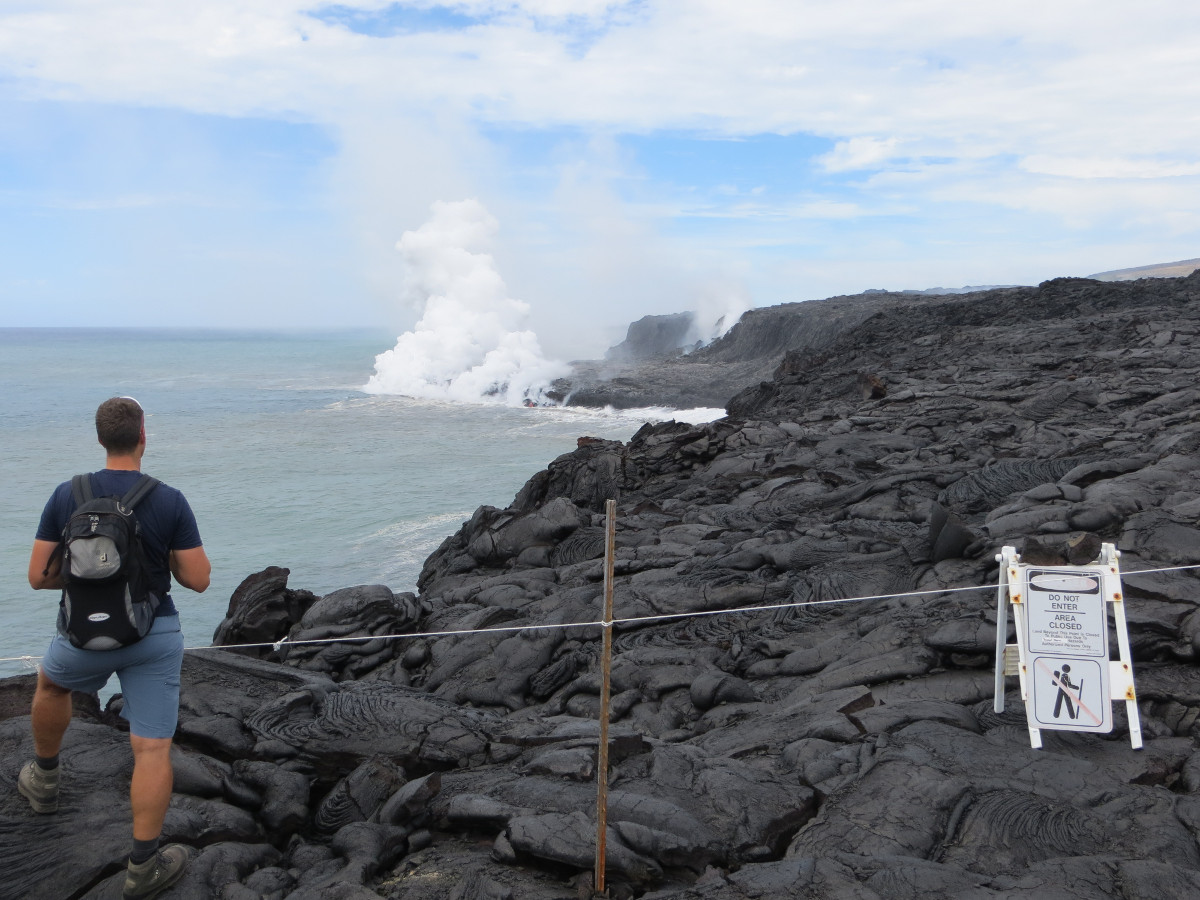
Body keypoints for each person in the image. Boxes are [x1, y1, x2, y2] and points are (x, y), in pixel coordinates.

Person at [19, 396, 211, 900]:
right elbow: (198, 580)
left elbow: (39, 577)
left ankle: (44, 779)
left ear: (100, 437)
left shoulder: (68, 494)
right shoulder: (168, 499)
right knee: (151, 748)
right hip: (152, 637)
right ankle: (142, 868)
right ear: (144, 434)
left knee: (51, 684)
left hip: (81, 637)